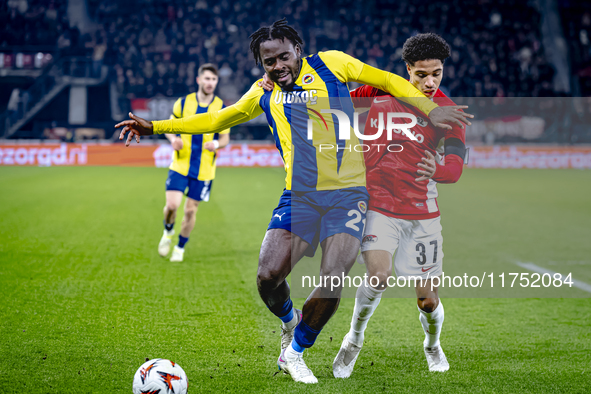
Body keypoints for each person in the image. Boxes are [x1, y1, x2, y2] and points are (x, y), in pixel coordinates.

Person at [116, 20, 472, 384]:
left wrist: (429, 108)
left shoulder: (332, 64)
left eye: (284, 57)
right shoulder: (262, 92)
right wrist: (156, 127)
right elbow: (216, 118)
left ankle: (296, 352)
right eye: (269, 62)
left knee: (333, 279)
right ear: (262, 65)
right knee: (268, 276)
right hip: (298, 197)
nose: (278, 66)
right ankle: (290, 322)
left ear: (298, 51)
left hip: (349, 196)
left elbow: (387, 79)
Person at [332, 33, 467, 377]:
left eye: (436, 73)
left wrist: (439, 169)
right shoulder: (379, 91)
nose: (430, 81)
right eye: (421, 74)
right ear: (407, 69)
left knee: (428, 300)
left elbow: (454, 167)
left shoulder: (447, 111)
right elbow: (336, 105)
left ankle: (432, 345)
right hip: (378, 206)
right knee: (378, 277)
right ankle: (354, 340)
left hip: (422, 214)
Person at [158, 63, 230, 262]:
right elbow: (168, 126)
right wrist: (174, 140)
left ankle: (180, 248)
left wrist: (215, 143)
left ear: (216, 82)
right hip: (180, 165)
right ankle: (168, 231)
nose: (210, 83)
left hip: (204, 170)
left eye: (213, 79)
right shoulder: (183, 103)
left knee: (190, 210)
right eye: (207, 79)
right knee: (172, 206)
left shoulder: (221, 108)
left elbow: (225, 138)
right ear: (199, 80)